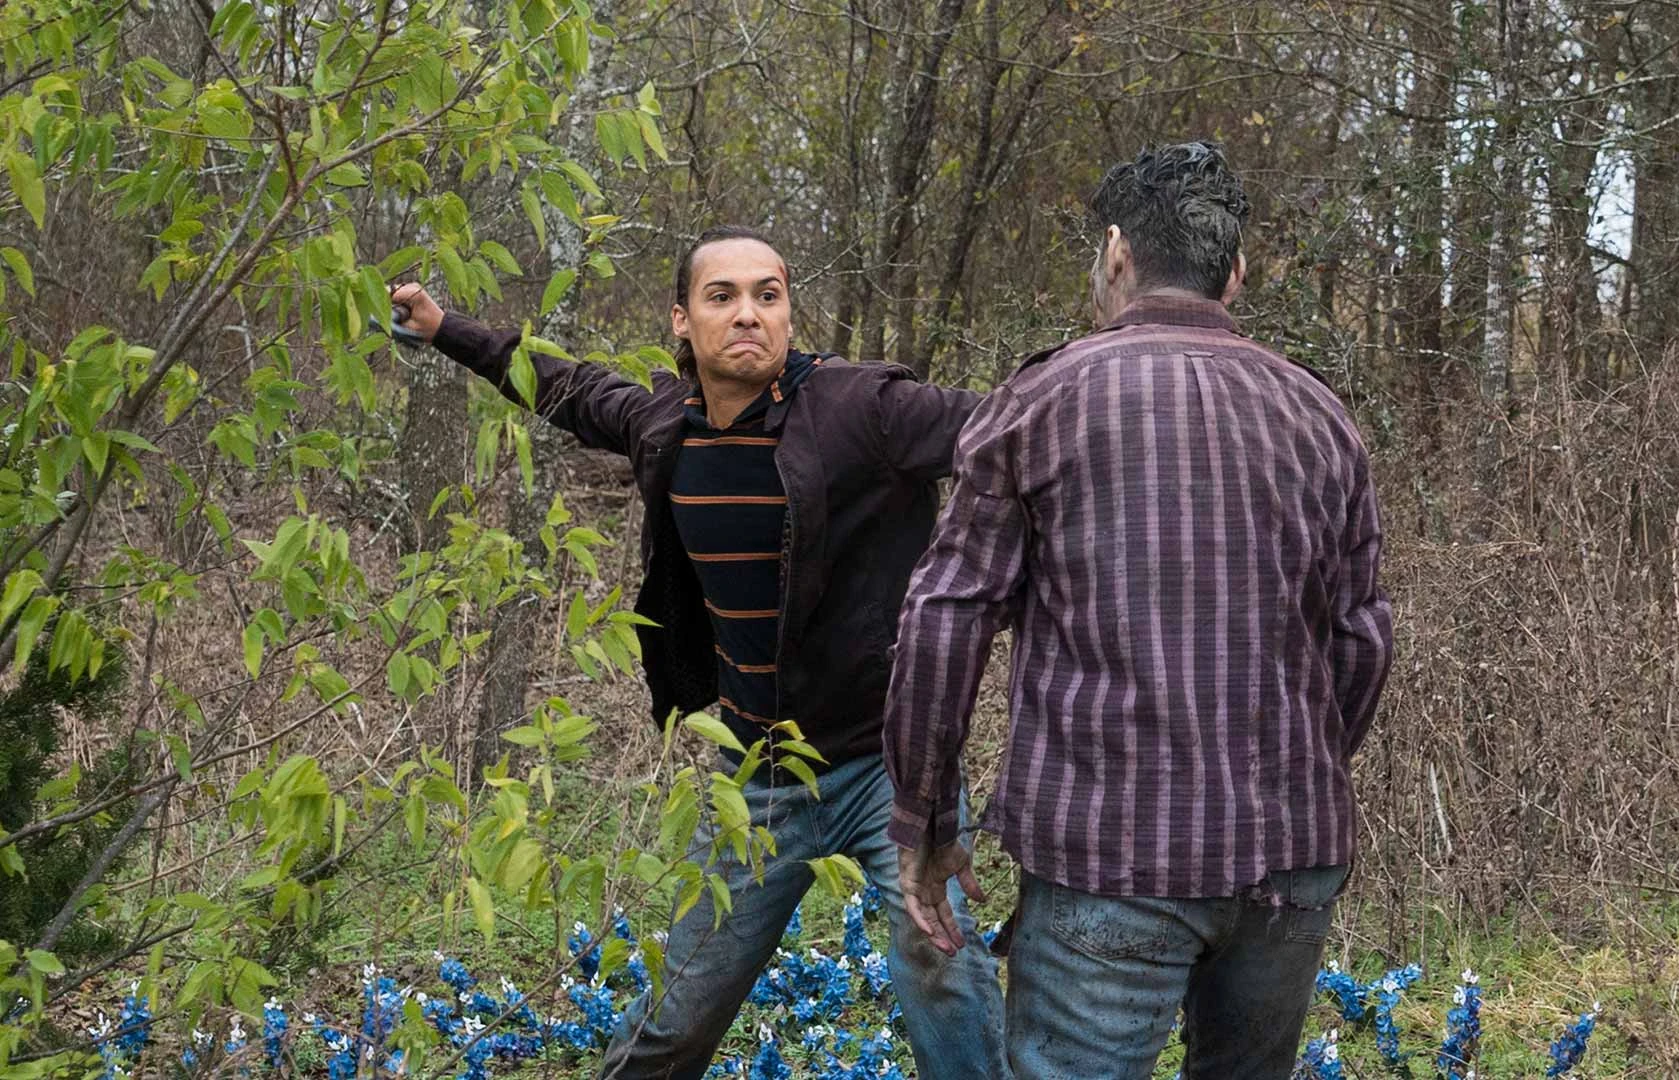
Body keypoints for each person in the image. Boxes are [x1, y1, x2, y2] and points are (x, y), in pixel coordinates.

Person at [389, 225, 1006, 1080]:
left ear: (788, 313)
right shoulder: (664, 425)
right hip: (758, 777)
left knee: (944, 974)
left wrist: (1127, 366)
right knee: (675, 1014)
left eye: (767, 295)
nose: (748, 313)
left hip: (887, 769)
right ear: (682, 319)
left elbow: (1009, 423)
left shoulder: (865, 408)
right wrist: (442, 328)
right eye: (723, 296)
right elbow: (564, 385)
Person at [882, 142, 1394, 1079]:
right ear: (1235, 273)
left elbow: (943, 620)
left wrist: (925, 820)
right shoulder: (1323, 418)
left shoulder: (1040, 402)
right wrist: (1292, 774)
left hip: (1109, 855)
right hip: (1290, 859)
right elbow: (1361, 640)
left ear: (1117, 252)